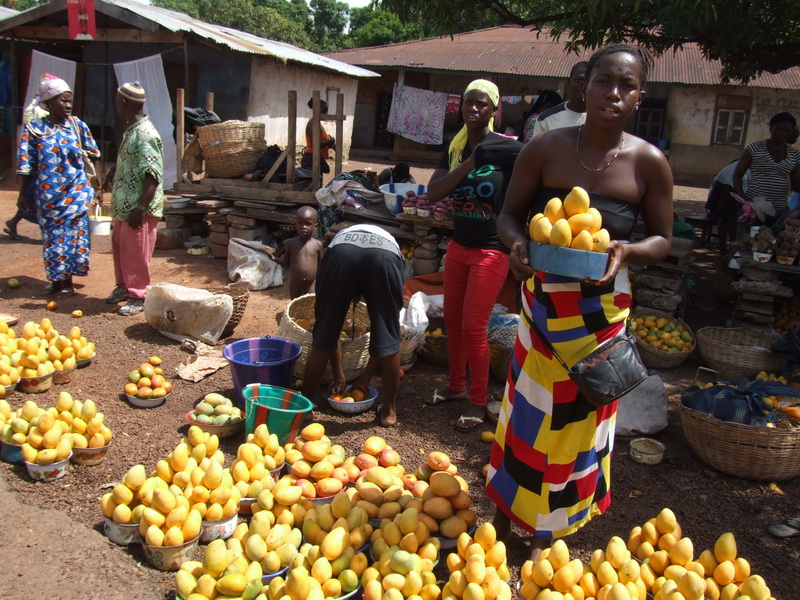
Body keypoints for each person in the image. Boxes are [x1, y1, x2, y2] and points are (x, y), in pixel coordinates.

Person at [487, 45, 673, 557]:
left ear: (640, 97)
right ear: (583, 86)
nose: (614, 93)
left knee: (578, 422)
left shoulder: (649, 163)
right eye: (603, 81)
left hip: (601, 314)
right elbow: (508, 216)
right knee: (528, 412)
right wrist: (516, 245)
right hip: (544, 306)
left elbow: (663, 239)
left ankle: (550, 527)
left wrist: (628, 250)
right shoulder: (546, 148)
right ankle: (508, 511)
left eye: (627, 85)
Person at [423, 79, 524, 430]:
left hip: (491, 250)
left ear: (494, 109)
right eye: (469, 102)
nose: (474, 109)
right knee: (452, 319)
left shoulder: (506, 148)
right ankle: (456, 386)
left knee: (473, 325)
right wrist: (469, 162)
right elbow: (434, 192)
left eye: (482, 103)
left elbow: (535, 155)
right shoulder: (455, 148)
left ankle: (478, 401)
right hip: (459, 246)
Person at [300, 224, 404, 427]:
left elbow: (331, 332)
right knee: (388, 336)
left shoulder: (337, 243)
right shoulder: (390, 245)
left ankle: (305, 407)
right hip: (385, 256)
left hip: (342, 253)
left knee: (325, 330)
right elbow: (382, 339)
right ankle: (389, 410)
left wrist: (357, 378)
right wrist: (345, 377)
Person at [15, 74, 100, 296]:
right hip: (48, 196)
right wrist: (23, 194)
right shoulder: (35, 129)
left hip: (76, 193)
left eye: (70, 101)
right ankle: (56, 279)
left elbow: (94, 154)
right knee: (52, 238)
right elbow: (26, 164)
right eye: (63, 100)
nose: (68, 105)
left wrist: (98, 186)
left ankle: (68, 281)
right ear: (50, 102)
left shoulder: (77, 126)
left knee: (73, 237)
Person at [106, 82, 164, 316]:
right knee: (122, 248)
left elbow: (153, 175)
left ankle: (139, 295)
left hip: (139, 208)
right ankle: (123, 287)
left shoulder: (145, 134)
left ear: (123, 103)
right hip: (125, 206)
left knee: (136, 253)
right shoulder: (131, 130)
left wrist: (140, 208)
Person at [733, 112, 800, 223]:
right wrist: (743, 198)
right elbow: (737, 176)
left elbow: (797, 186)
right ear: (771, 128)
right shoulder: (754, 148)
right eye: (779, 129)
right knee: (750, 234)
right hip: (754, 207)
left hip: (779, 209)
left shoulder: (795, 155)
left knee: (772, 234)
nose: (783, 134)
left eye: (787, 131)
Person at [268, 206, 324, 299]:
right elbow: (286, 263)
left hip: (311, 285)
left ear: (315, 226)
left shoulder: (317, 245)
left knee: (310, 305)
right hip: (295, 284)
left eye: (308, 224)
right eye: (300, 223)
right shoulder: (291, 244)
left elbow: (322, 266)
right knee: (295, 304)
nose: (303, 227)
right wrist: (273, 258)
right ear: (295, 225)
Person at [531, 61, 589, 139]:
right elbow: (538, 146)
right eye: (578, 81)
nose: (582, 85)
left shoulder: (601, 118)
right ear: (569, 83)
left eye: (587, 81)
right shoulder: (546, 119)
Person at [706, 160, 748, 254]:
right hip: (733, 186)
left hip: (725, 182)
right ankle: (730, 250)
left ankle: (726, 249)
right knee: (730, 219)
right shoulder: (747, 166)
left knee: (726, 217)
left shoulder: (734, 166)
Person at [301, 98, 336, 174]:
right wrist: (330, 141)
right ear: (317, 111)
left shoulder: (318, 124)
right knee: (313, 180)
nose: (326, 114)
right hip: (311, 158)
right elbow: (316, 144)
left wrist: (330, 144)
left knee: (318, 179)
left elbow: (322, 142)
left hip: (317, 157)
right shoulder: (312, 124)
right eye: (324, 111)